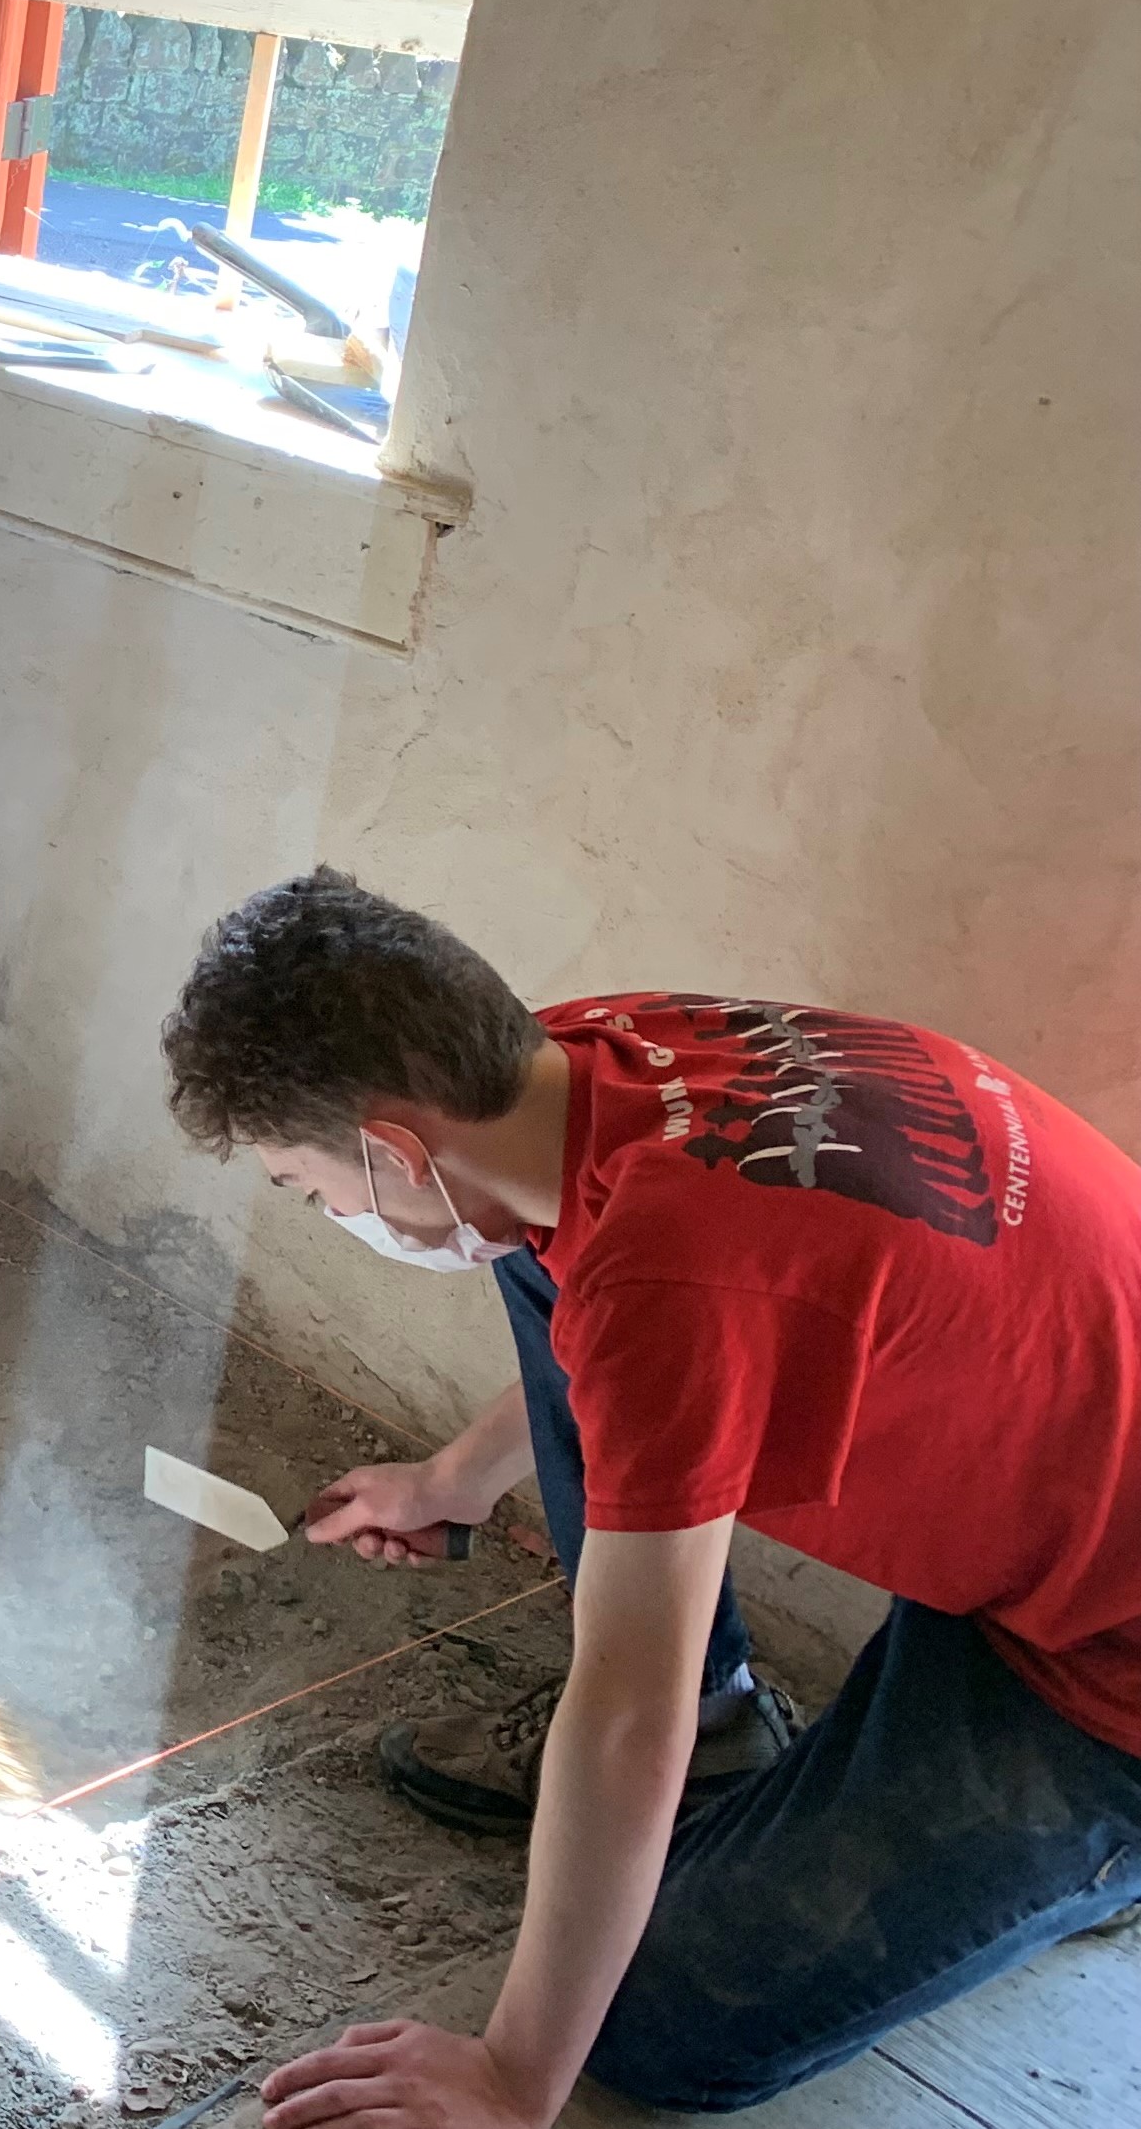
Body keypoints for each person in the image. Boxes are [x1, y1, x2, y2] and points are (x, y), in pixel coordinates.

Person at [158, 871, 1141, 2126]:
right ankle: (732, 1735)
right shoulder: (593, 1051)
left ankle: (1088, 1862)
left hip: (1105, 1671)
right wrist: (454, 1479)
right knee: (530, 1235)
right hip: (1065, 1480)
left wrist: (512, 2074)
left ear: (394, 1148)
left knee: (646, 2018)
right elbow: (625, 1322)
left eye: (312, 1187)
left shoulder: (668, 1286)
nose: (333, 1212)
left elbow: (627, 1708)